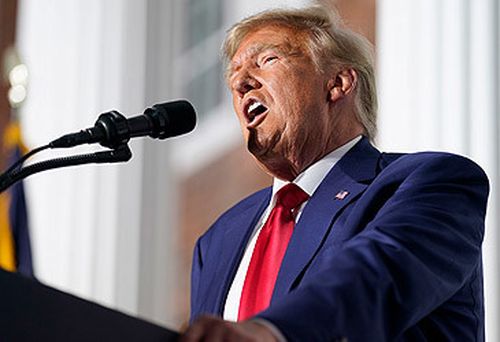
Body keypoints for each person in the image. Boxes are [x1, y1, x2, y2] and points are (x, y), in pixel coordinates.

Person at [181, 6, 489, 342]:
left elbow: (377, 274)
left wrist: (271, 331)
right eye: (233, 75)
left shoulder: (431, 181)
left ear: (338, 83)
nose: (240, 83)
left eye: (266, 60)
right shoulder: (218, 239)